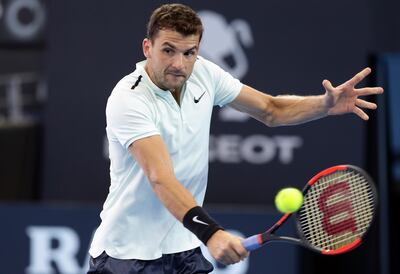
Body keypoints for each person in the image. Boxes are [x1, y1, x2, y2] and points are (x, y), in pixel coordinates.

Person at [87, 3, 383, 274]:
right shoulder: (129, 98)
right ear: (147, 47)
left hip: (183, 247)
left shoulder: (205, 74)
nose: (179, 63)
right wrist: (212, 233)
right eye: (168, 50)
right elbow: (160, 178)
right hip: (126, 254)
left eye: (189, 52)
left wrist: (324, 105)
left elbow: (271, 109)